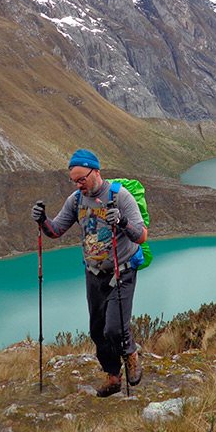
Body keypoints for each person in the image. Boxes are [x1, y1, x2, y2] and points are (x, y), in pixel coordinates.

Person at [31, 149, 148, 397]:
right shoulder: (75, 200)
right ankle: (113, 375)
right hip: (94, 273)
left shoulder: (120, 196)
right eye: (74, 180)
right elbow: (56, 231)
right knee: (97, 330)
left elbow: (142, 234)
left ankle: (131, 353)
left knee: (114, 329)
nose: (78, 184)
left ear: (96, 171)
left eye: (82, 178)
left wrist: (123, 222)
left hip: (121, 271)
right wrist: (42, 220)